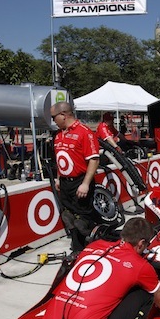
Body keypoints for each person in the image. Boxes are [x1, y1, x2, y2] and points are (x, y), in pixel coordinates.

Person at [51, 101, 100, 255]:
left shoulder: (84, 132)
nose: (53, 121)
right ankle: (77, 249)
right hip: (65, 183)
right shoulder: (59, 135)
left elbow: (94, 159)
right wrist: (59, 178)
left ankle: (94, 246)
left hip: (80, 182)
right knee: (68, 217)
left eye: (54, 117)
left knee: (82, 220)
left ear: (63, 115)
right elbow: (61, 159)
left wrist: (85, 184)